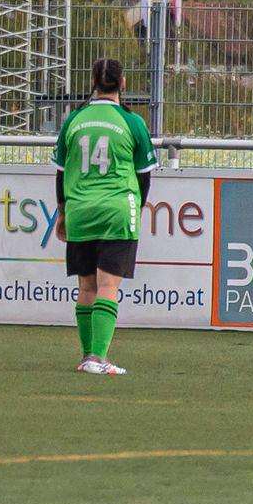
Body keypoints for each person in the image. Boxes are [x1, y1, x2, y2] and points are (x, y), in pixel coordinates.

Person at [51, 56, 157, 375]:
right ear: (123, 83)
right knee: (108, 285)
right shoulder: (133, 122)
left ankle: (88, 357)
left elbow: (60, 173)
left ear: (92, 83)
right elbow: (145, 176)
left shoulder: (74, 120)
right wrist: (136, 207)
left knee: (86, 287)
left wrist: (62, 213)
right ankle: (98, 357)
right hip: (117, 211)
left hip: (80, 210)